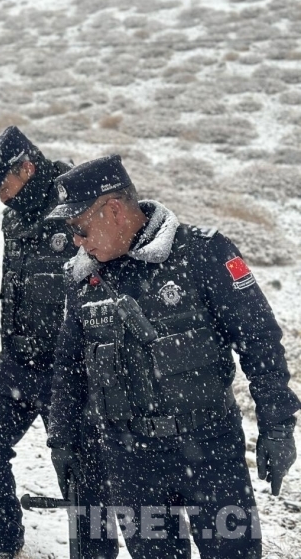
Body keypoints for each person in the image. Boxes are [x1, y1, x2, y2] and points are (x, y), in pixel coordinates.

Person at [46, 154, 300, 558]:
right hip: (129, 457)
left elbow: (259, 340)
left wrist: (277, 425)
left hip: (211, 448)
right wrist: (62, 439)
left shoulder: (202, 252)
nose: (76, 241)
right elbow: (70, 366)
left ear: (114, 210)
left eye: (80, 227)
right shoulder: (82, 276)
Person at [0, 127, 117, 559]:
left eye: (3, 186)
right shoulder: (14, 216)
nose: (1, 197)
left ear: (26, 168)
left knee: (83, 475)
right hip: (18, 362)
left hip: (72, 372)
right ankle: (3, 536)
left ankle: (95, 555)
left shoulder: (76, 207)